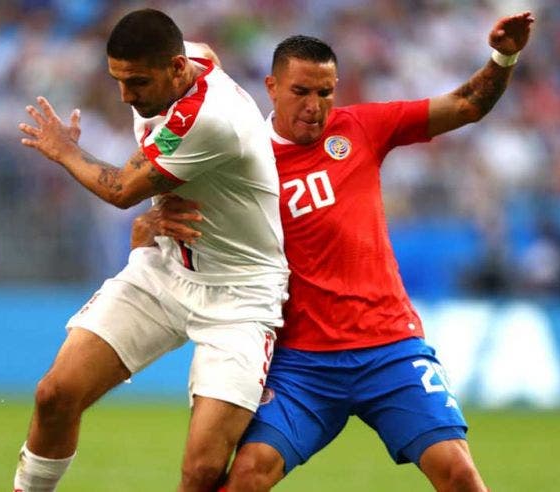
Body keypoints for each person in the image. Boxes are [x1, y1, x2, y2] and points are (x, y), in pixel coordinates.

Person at [133, 12, 534, 492]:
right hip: (300, 362)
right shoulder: (237, 159)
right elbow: (160, 228)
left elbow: (467, 104)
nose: (314, 106)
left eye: (325, 92)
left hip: (389, 349)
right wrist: (149, 224)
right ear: (271, 87)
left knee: (459, 473)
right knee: (247, 476)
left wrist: (503, 56)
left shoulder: (361, 128)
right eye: (301, 91)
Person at [12, 9, 289, 492]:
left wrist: (65, 150)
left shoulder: (212, 119)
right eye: (117, 79)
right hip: (166, 267)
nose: (125, 95)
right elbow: (206, 62)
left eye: (137, 81)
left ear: (176, 70)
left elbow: (121, 188)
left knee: (202, 472)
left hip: (239, 297)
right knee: (56, 394)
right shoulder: (192, 61)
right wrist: (159, 208)